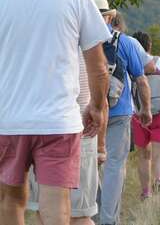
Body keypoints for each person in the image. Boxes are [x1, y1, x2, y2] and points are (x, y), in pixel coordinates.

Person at [0, 0, 110, 225]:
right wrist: (98, 107)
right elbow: (98, 67)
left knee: (10, 199)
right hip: (58, 120)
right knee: (57, 204)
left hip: (7, 119)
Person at [95, 0, 152, 225]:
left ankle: (93, 215)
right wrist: (146, 110)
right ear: (110, 17)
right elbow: (141, 79)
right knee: (114, 166)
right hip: (119, 111)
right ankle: (108, 220)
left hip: (90, 112)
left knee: (90, 166)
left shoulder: (80, 41)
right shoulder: (126, 42)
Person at [28, 54, 102, 225]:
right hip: (78, 132)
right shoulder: (81, 37)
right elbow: (100, 77)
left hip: (39, 131)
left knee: (44, 212)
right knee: (78, 215)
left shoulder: (33, 40)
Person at [131, 31, 160, 199]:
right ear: (149, 46)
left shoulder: (131, 65)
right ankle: (159, 180)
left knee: (144, 155)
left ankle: (146, 193)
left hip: (139, 115)